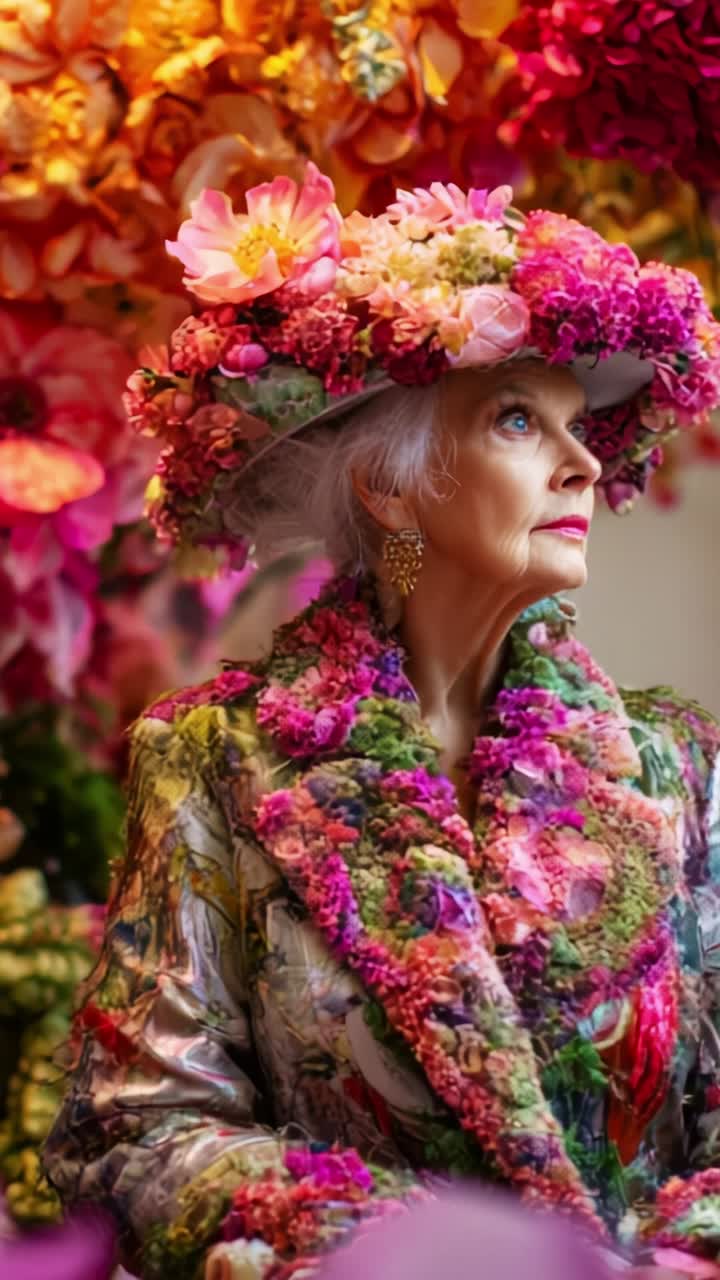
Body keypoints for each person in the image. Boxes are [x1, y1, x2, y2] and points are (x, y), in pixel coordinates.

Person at [43, 166, 720, 1280]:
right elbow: (135, 1132)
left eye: (576, 424)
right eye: (518, 419)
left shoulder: (677, 768)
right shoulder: (217, 760)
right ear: (392, 490)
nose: (585, 461)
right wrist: (434, 1257)